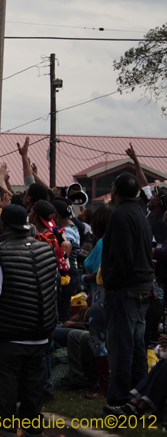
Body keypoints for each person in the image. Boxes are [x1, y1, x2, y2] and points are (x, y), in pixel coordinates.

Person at [0, 204, 59, 437]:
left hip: (7, 336)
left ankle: (5, 432)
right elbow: (52, 288)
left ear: (2, 225)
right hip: (39, 334)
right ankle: (32, 431)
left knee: (4, 388)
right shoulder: (45, 250)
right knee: (33, 390)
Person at [100, 172, 155, 407]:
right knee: (137, 343)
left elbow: (123, 258)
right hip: (143, 286)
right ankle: (137, 393)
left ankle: (121, 397)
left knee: (123, 345)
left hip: (128, 288)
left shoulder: (121, 215)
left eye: (112, 188)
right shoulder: (140, 212)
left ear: (116, 192)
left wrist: (111, 284)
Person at [83, 204, 113, 399]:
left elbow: (100, 274)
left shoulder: (103, 243)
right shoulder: (107, 241)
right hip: (99, 295)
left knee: (98, 340)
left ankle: (105, 385)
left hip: (100, 295)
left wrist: (84, 279)